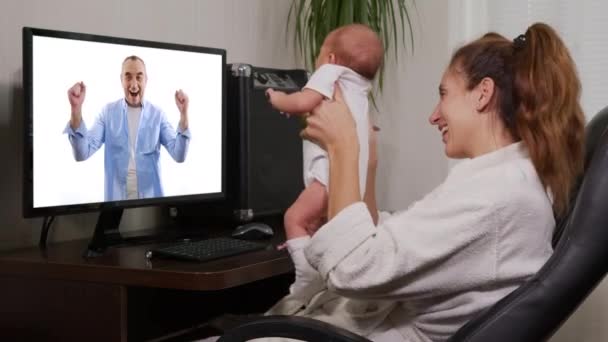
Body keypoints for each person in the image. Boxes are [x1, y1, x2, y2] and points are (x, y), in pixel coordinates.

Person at [212, 22, 584, 342]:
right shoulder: (504, 181)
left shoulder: (497, 195)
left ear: (483, 93)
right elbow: (395, 245)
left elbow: (353, 269)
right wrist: (367, 164)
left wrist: (344, 147)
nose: (433, 115)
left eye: (444, 95)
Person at [265, 24, 383, 295]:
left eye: (319, 53)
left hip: (328, 178)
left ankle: (307, 279)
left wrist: (279, 98)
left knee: (294, 218)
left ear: (330, 58)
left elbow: (303, 102)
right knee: (313, 223)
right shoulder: (361, 88)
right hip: (352, 184)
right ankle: (304, 250)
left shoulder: (332, 72)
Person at [64, 55, 191, 201]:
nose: (134, 84)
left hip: (152, 206)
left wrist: (184, 114)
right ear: (121, 80)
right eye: (128, 77)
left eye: (139, 77)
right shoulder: (107, 113)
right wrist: (76, 108)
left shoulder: (158, 115)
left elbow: (179, 155)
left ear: (146, 80)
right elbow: (82, 153)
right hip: (117, 206)